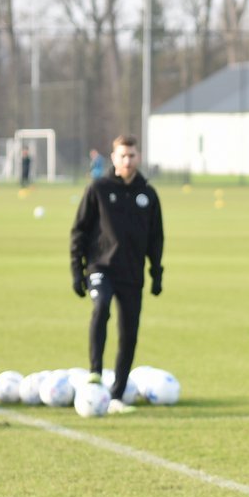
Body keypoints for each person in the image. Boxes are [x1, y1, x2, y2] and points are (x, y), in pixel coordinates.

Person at [70, 135, 165, 415]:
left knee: (129, 333)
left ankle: (118, 395)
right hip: (101, 267)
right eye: (122, 155)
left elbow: (156, 238)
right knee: (101, 307)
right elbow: (79, 231)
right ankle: (95, 372)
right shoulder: (98, 189)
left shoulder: (148, 195)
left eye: (132, 155)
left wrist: (156, 273)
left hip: (132, 273)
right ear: (113, 158)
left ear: (138, 157)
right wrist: (77, 271)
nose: (127, 160)